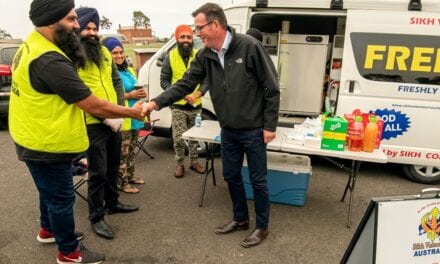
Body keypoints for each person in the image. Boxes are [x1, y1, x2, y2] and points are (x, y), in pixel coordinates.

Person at [9, 0, 145, 263]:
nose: (77, 25)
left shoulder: (32, 45)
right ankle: (69, 253)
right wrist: (131, 111)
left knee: (48, 192)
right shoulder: (51, 60)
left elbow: (113, 81)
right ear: (52, 21)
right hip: (46, 143)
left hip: (35, 136)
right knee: (62, 198)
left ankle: (48, 231)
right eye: (72, 20)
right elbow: (90, 102)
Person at [143, 3, 280, 248]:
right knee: (230, 175)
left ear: (215, 24)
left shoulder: (249, 47)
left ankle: (262, 226)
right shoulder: (205, 55)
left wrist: (270, 125)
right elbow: (185, 85)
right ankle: (240, 219)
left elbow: (272, 88)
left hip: (254, 130)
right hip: (227, 128)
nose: (197, 34)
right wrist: (155, 102)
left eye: (199, 28)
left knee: (258, 180)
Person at [76, 7, 139, 240]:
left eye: (95, 28)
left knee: (114, 165)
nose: (92, 32)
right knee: (98, 172)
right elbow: (77, 94)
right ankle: (96, 216)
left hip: (114, 119)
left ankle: (112, 203)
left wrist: (120, 113)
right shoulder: (72, 55)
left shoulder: (103, 52)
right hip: (93, 122)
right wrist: (105, 117)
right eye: (87, 28)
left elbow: (116, 82)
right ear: (79, 29)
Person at [160, 24, 207, 178]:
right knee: (179, 138)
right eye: (182, 37)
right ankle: (180, 164)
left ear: (192, 38)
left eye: (188, 37)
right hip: (178, 106)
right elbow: (164, 81)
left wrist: (197, 94)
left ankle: (194, 162)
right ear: (177, 38)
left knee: (194, 137)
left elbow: (207, 79)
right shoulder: (170, 56)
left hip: (195, 104)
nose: (186, 40)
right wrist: (176, 93)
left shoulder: (199, 55)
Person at [103, 37, 146, 193]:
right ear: (107, 54)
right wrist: (131, 94)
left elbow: (133, 87)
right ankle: (122, 182)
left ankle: (130, 175)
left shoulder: (127, 69)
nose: (119, 56)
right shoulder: (107, 72)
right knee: (123, 152)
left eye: (121, 52)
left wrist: (140, 93)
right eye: (115, 53)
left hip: (135, 117)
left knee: (131, 150)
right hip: (123, 118)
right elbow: (111, 96)